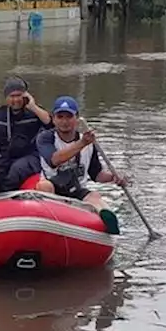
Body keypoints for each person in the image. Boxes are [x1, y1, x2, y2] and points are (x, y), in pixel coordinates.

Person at [34, 96, 128, 235]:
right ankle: (50, 223)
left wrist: (115, 177)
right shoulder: (45, 138)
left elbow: (97, 175)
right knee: (43, 186)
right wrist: (82, 143)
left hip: (77, 189)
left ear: (77, 118)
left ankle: (106, 219)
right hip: (53, 186)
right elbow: (54, 160)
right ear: (53, 119)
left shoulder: (89, 143)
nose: (65, 121)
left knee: (95, 196)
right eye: (60, 117)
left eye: (69, 117)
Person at [0, 76, 51, 192]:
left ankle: (5, 195)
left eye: (19, 95)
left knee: (17, 169)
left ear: (25, 95)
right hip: (5, 156)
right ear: (6, 97)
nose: (16, 99)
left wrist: (33, 107)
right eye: (12, 96)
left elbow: (50, 124)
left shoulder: (34, 113)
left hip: (31, 156)